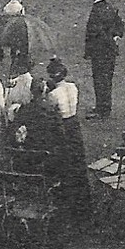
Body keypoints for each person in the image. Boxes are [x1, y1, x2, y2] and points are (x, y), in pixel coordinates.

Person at [44, 58, 92, 221]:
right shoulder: (72, 87)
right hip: (74, 123)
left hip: (63, 125)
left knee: (66, 159)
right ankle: (83, 194)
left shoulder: (53, 94)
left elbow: (51, 111)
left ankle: (68, 194)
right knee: (78, 156)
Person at [83, 0, 124, 119]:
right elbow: (120, 26)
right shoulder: (110, 7)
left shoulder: (96, 11)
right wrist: (115, 38)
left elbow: (93, 33)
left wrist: (89, 51)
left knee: (100, 80)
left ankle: (102, 110)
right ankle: (104, 107)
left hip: (100, 52)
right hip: (110, 52)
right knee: (107, 80)